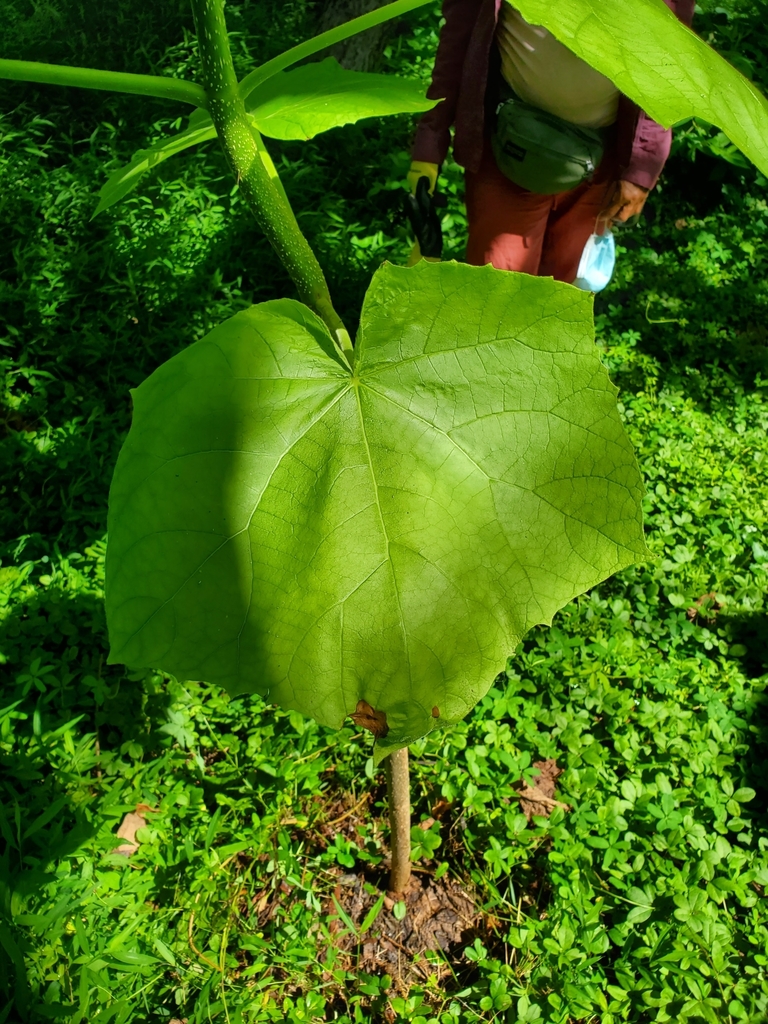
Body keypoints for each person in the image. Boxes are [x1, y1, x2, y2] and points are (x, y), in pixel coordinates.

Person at [408, 0, 695, 281]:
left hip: (598, 160)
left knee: (562, 300)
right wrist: (430, 142)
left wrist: (642, 167)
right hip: (509, 149)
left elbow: (666, 63)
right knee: (495, 297)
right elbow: (459, 32)